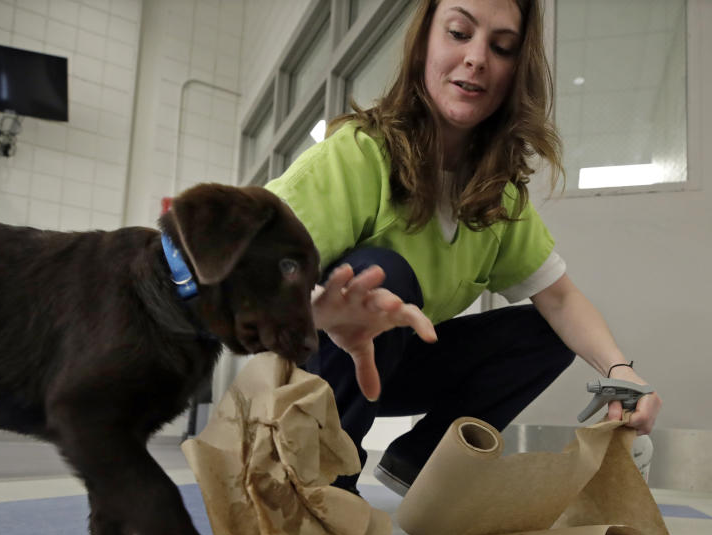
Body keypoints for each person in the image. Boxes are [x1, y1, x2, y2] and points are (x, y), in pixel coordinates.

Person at [265, 0, 662, 495]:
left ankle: (423, 463)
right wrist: (316, 311)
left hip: (393, 364)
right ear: (422, 45)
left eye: (501, 47)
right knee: (382, 274)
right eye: (458, 32)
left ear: (516, 70)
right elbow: (255, 269)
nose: (477, 58)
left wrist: (621, 371)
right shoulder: (358, 155)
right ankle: (322, 478)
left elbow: (560, 299)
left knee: (548, 332)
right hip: (320, 360)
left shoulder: (497, 195)